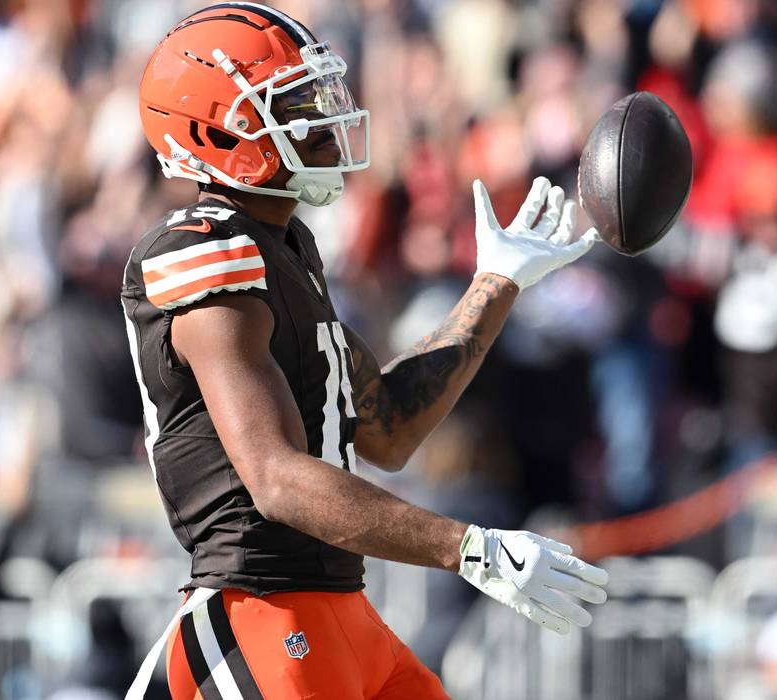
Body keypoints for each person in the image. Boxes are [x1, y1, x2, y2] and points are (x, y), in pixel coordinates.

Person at [123, 5, 608, 699]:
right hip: (258, 614)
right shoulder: (203, 253)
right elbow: (276, 478)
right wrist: (470, 548)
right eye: (293, 105)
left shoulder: (288, 250)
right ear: (215, 131)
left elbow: (387, 427)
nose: (324, 120)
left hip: (340, 612)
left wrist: (495, 284)